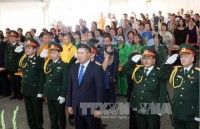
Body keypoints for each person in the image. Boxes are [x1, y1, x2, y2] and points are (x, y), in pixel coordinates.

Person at [123, 46, 168, 129]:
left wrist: (161, 108)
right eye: (143, 58)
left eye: (149, 58)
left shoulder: (159, 73)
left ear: (154, 60)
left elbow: (163, 92)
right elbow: (125, 69)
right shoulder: (137, 71)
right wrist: (132, 61)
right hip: (139, 106)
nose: (146, 60)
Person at [160, 43, 199, 129]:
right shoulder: (176, 71)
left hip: (191, 114)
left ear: (192, 58)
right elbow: (160, 75)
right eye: (181, 57)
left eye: (186, 56)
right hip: (177, 111)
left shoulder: (198, 74)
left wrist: (198, 115)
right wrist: (167, 63)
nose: (183, 59)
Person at [67, 44, 104, 129]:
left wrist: (99, 108)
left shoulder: (96, 68)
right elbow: (70, 87)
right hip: (76, 106)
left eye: (82, 53)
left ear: (89, 55)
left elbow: (100, 90)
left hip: (91, 108)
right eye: (78, 53)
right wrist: (69, 104)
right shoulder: (74, 67)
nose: (79, 55)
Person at [19, 38, 45, 129]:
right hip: (26, 89)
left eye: (30, 48)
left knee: (37, 110)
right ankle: (32, 126)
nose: (27, 49)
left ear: (35, 49)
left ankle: (39, 126)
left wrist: (41, 91)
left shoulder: (39, 59)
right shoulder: (24, 59)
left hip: (35, 90)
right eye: (26, 48)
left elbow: (42, 77)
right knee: (29, 110)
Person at [43, 41, 69, 129]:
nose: (52, 54)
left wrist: (63, 95)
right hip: (50, 93)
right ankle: (54, 126)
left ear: (59, 53)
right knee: (52, 113)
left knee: (60, 114)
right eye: (51, 52)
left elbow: (65, 82)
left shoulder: (64, 65)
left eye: (54, 53)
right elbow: (46, 78)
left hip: (58, 94)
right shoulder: (48, 63)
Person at [0, 30, 24, 99]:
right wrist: (4, 41)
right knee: (12, 82)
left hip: (16, 67)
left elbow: (20, 57)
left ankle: (20, 95)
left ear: (16, 38)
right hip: (9, 67)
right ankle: (15, 94)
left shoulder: (19, 46)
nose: (11, 38)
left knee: (18, 82)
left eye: (13, 37)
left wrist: (19, 67)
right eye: (10, 36)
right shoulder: (7, 45)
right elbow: (1, 48)